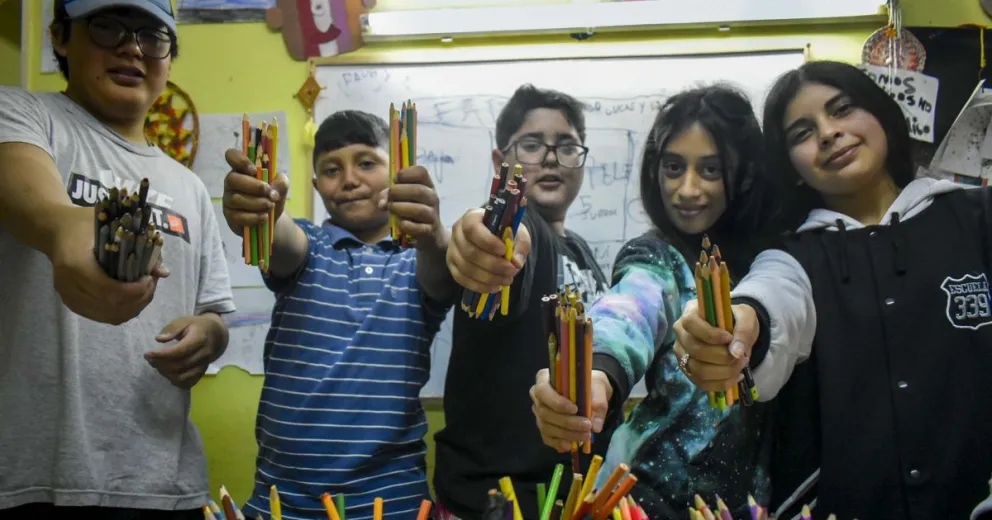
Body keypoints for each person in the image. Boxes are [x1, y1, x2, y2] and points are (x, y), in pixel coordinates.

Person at [676, 60, 992, 520]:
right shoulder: (793, 257)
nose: (827, 133)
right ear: (792, 168)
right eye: (802, 133)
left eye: (843, 109)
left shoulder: (976, 218)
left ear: (883, 115)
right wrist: (738, 327)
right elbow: (772, 300)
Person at [528, 85, 815, 519]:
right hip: (640, 497)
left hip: (745, 502)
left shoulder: (775, 260)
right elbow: (629, 308)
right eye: (673, 167)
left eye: (711, 169)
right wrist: (593, 373)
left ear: (746, 173)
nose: (687, 189)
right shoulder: (658, 256)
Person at [0, 0, 234, 518]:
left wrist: (209, 337)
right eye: (108, 26)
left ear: (169, 58)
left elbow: (215, 312)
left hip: (162, 484)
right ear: (61, 36)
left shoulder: (192, 187)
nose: (132, 47)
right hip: (34, 479)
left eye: (154, 36)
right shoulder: (20, 113)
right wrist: (69, 233)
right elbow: (35, 204)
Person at [221, 110, 455, 520]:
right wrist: (263, 212)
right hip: (284, 502)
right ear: (315, 185)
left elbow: (441, 268)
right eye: (332, 169)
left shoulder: (417, 260)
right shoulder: (311, 245)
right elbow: (282, 242)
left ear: (398, 172)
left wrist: (431, 229)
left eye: (367, 163)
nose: (349, 179)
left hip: (392, 504)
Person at [436, 84, 612, 519]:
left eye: (566, 146)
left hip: (574, 500)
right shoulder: (519, 229)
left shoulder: (582, 252)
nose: (551, 159)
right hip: (497, 502)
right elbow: (502, 240)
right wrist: (486, 237)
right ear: (502, 163)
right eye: (532, 145)